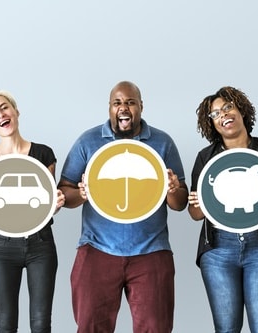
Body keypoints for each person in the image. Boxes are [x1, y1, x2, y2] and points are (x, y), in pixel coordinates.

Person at [57, 81, 188, 333]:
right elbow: (64, 191)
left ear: (141, 106)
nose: (123, 108)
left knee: (156, 328)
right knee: (91, 327)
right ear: (109, 108)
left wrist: (172, 189)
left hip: (151, 250)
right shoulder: (88, 141)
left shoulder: (162, 143)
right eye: (117, 103)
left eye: (130, 102)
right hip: (97, 249)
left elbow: (180, 203)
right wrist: (82, 194)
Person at [187, 86, 258, 333]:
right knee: (226, 329)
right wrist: (200, 204)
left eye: (228, 107)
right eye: (215, 114)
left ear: (241, 110)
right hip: (218, 249)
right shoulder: (206, 158)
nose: (223, 114)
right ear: (211, 124)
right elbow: (195, 214)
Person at [0, 91, 65, 333]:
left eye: (4, 108)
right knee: (5, 325)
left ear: (16, 112)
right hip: (3, 248)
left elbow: (46, 207)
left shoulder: (43, 154)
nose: (1, 115)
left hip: (41, 244)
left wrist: (57, 203)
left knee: (41, 325)